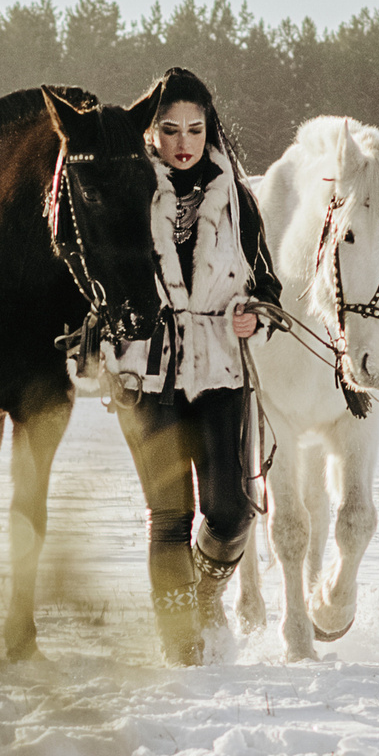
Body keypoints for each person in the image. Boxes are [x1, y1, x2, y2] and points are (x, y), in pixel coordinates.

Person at [107, 66, 282, 664]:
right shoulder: (125, 192)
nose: (184, 142)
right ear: (151, 133)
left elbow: (269, 289)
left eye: (196, 129)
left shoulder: (236, 200)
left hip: (217, 371)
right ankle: (181, 647)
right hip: (146, 371)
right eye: (170, 129)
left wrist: (253, 316)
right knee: (169, 516)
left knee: (230, 509)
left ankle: (206, 598)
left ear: (210, 132)